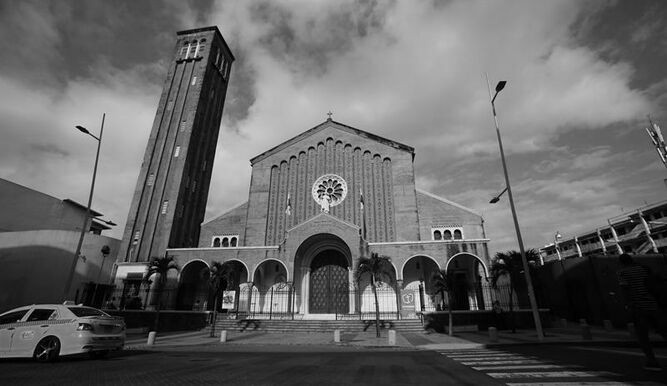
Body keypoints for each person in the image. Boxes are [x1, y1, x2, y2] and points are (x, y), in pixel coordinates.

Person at [616, 253, 667, 371]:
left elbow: (625, 291)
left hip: (638, 307)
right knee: (663, 331)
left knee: (643, 336)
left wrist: (627, 305)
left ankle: (651, 360)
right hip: (653, 304)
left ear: (621, 262)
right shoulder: (644, 269)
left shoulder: (623, 273)